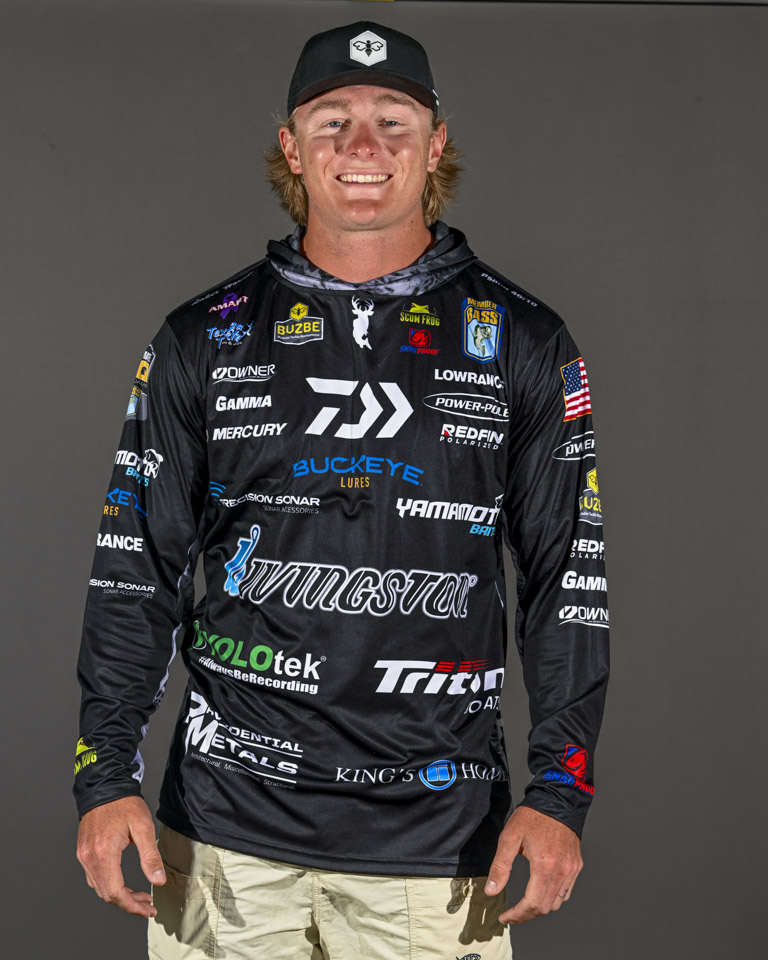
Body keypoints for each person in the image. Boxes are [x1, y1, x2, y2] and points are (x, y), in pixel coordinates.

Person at [74, 20, 609, 960]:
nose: (364, 145)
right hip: (221, 845)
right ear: (292, 147)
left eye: (393, 120)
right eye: (333, 121)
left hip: (441, 854)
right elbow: (135, 570)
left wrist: (560, 792)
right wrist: (103, 775)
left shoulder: (524, 341)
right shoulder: (201, 337)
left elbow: (569, 579)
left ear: (435, 145)